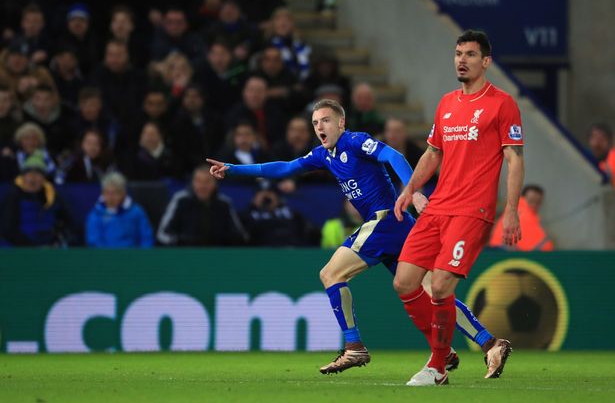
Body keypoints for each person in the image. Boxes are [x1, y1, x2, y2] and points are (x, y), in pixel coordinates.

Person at [208, 98, 505, 377]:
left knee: (331, 274)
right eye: (315, 123)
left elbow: (393, 155)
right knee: (432, 290)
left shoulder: (354, 140)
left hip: (386, 220)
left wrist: (413, 191)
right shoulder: (323, 155)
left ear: (341, 123)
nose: (320, 127)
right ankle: (489, 343)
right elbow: (285, 167)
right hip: (401, 227)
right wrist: (233, 169)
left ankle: (354, 347)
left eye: (326, 120)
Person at [393, 30, 524, 386]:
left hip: (472, 211)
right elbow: (433, 153)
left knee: (441, 286)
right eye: (457, 54)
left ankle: (436, 367)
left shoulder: (502, 103)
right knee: (404, 283)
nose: (461, 60)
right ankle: (475, 346)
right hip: (437, 208)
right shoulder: (447, 103)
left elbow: (514, 159)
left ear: (486, 61)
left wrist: (511, 209)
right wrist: (410, 189)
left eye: (469, 54)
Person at [157, 165, 247, 246]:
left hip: (217, 257)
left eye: (207, 181)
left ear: (215, 184)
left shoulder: (224, 204)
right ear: (192, 183)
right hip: (185, 256)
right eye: (198, 181)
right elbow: (162, 234)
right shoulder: (180, 200)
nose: (202, 186)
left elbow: (240, 236)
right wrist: (180, 242)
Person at [85, 171, 154, 248]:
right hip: (106, 258)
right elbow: (94, 242)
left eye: (115, 193)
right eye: (107, 193)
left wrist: (141, 257)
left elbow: (146, 239)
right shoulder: (96, 214)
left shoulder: (136, 212)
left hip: (133, 257)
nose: (110, 197)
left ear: (123, 193)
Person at [489, 184, 553, 251]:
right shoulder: (522, 213)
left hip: (499, 251)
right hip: (502, 252)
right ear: (522, 198)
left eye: (538, 202)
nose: (534, 205)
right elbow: (545, 246)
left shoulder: (514, 211)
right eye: (531, 201)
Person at [587, 122, 615, 187]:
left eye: (602, 139)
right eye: (594, 138)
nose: (597, 143)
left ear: (610, 142)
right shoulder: (584, 160)